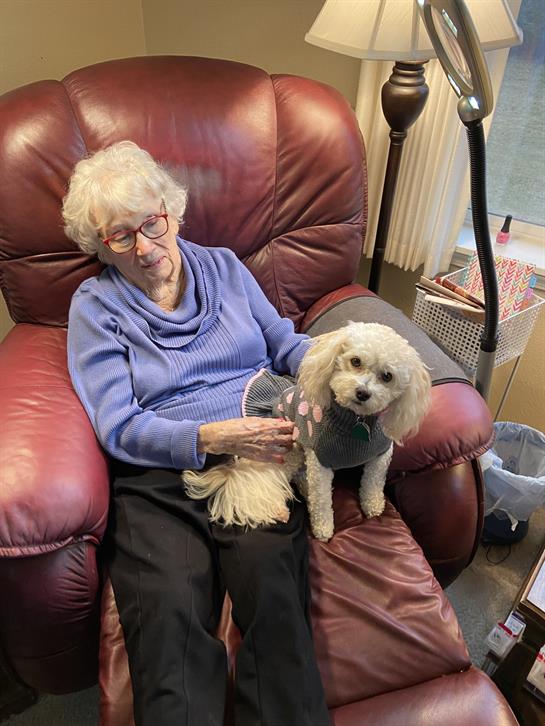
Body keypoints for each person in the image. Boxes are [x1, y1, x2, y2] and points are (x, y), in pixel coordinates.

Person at [63, 140, 329, 726]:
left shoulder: (227, 267)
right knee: (166, 614)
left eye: (152, 224)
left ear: (173, 212)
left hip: (257, 462)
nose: (145, 246)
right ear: (100, 246)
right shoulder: (96, 306)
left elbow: (287, 346)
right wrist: (211, 437)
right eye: (121, 235)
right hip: (159, 477)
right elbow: (118, 424)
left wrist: (346, 365)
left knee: (274, 593)